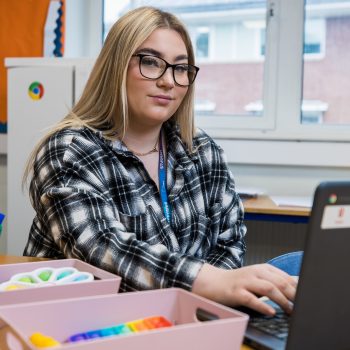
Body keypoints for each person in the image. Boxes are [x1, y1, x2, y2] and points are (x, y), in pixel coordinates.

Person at [23, 6, 296, 316]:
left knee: (296, 268)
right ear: (116, 67)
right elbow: (102, 250)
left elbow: (229, 245)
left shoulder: (204, 151)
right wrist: (209, 282)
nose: (169, 81)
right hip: (85, 321)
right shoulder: (70, 149)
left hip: (185, 318)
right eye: (151, 62)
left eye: (181, 68)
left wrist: (204, 306)